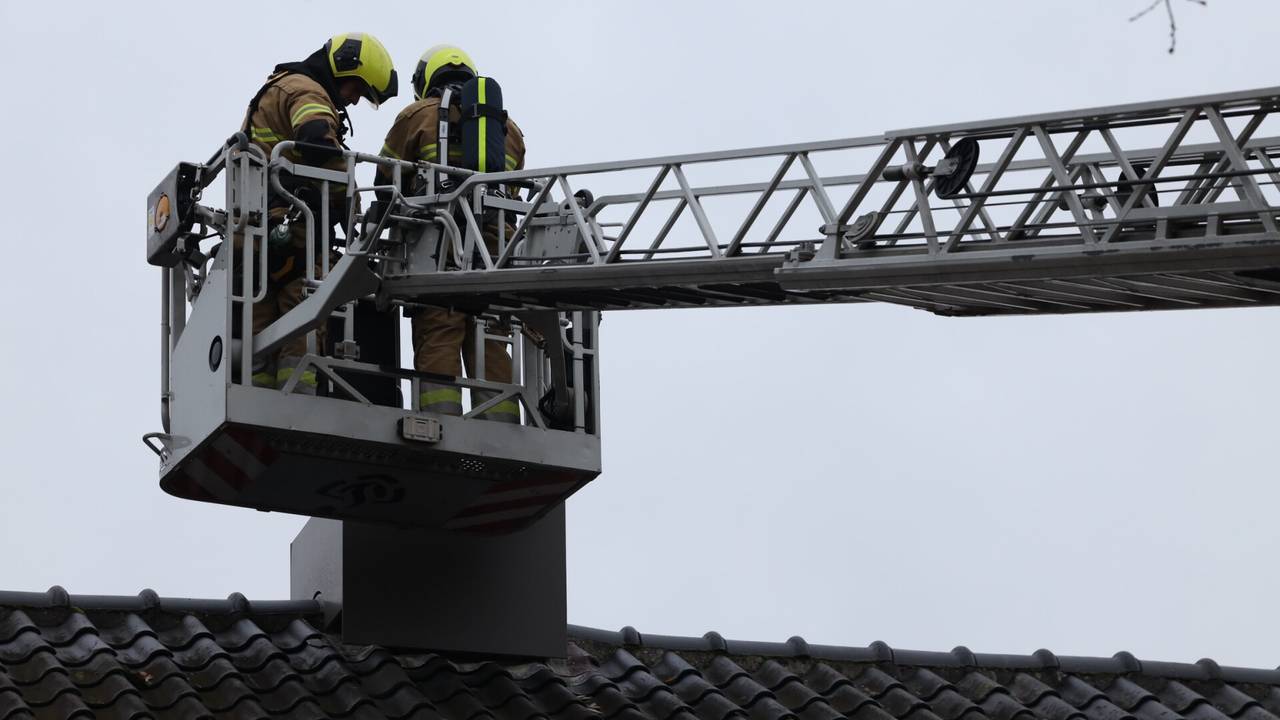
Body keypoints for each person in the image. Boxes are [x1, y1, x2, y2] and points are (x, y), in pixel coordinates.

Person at [240, 32, 398, 393]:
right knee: (303, 320)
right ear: (342, 69)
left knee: (261, 325)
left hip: (261, 232)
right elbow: (315, 142)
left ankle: (260, 400)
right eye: (356, 89)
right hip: (297, 231)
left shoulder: (280, 86)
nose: (355, 100)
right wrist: (353, 204)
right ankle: (298, 399)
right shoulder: (306, 91)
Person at [377, 45, 526, 422]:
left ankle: (439, 422)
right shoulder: (509, 131)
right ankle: (502, 425)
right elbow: (513, 193)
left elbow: (384, 182)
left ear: (427, 78)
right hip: (494, 252)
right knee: (491, 335)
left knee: (439, 332)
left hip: (436, 244)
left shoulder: (415, 116)